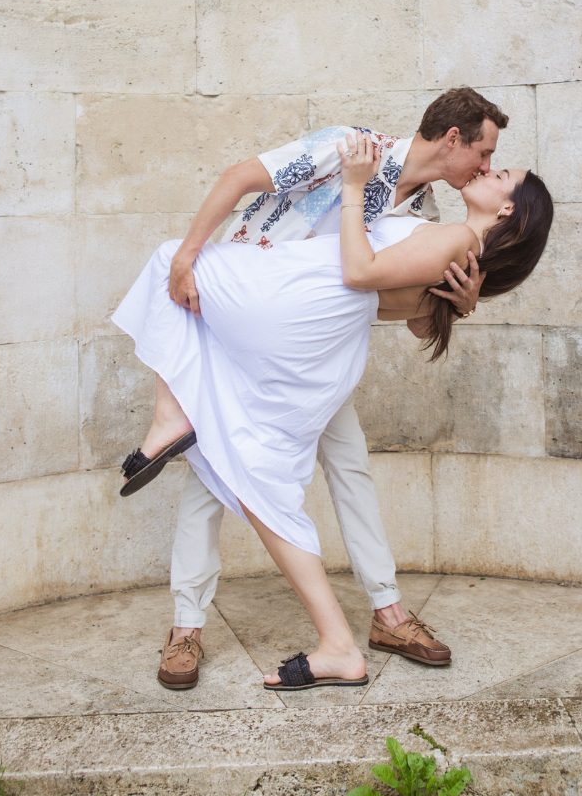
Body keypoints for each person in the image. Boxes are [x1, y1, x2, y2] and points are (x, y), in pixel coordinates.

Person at [112, 117, 554, 692]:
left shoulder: (428, 218)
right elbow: (245, 179)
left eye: (497, 168)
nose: (486, 166)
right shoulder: (353, 149)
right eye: (486, 154)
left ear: (505, 214)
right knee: (222, 467)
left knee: (329, 467)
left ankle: (385, 614)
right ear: (453, 140)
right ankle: (188, 625)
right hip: (278, 316)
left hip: (308, 342)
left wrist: (459, 301)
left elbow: (389, 296)